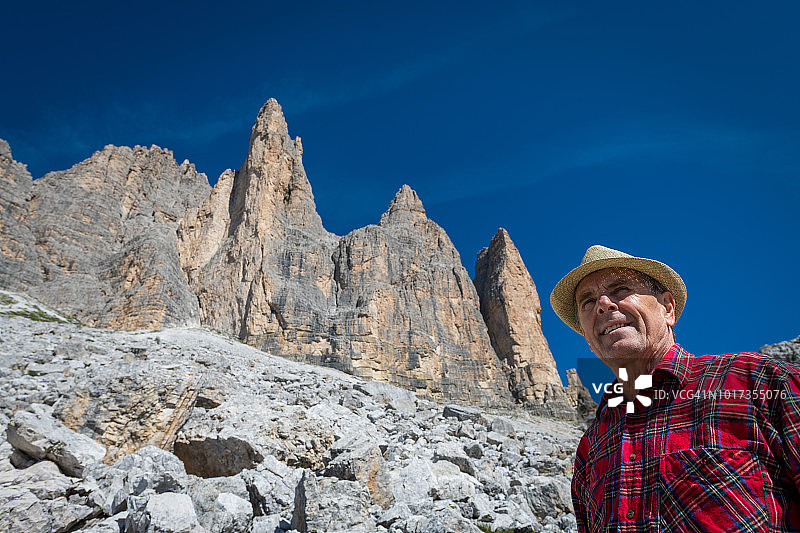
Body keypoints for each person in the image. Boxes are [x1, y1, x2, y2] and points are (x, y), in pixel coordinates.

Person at [549, 245, 800, 532]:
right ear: (587, 339)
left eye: (620, 289)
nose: (604, 304)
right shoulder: (590, 448)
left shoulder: (757, 381)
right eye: (588, 302)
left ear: (668, 308)